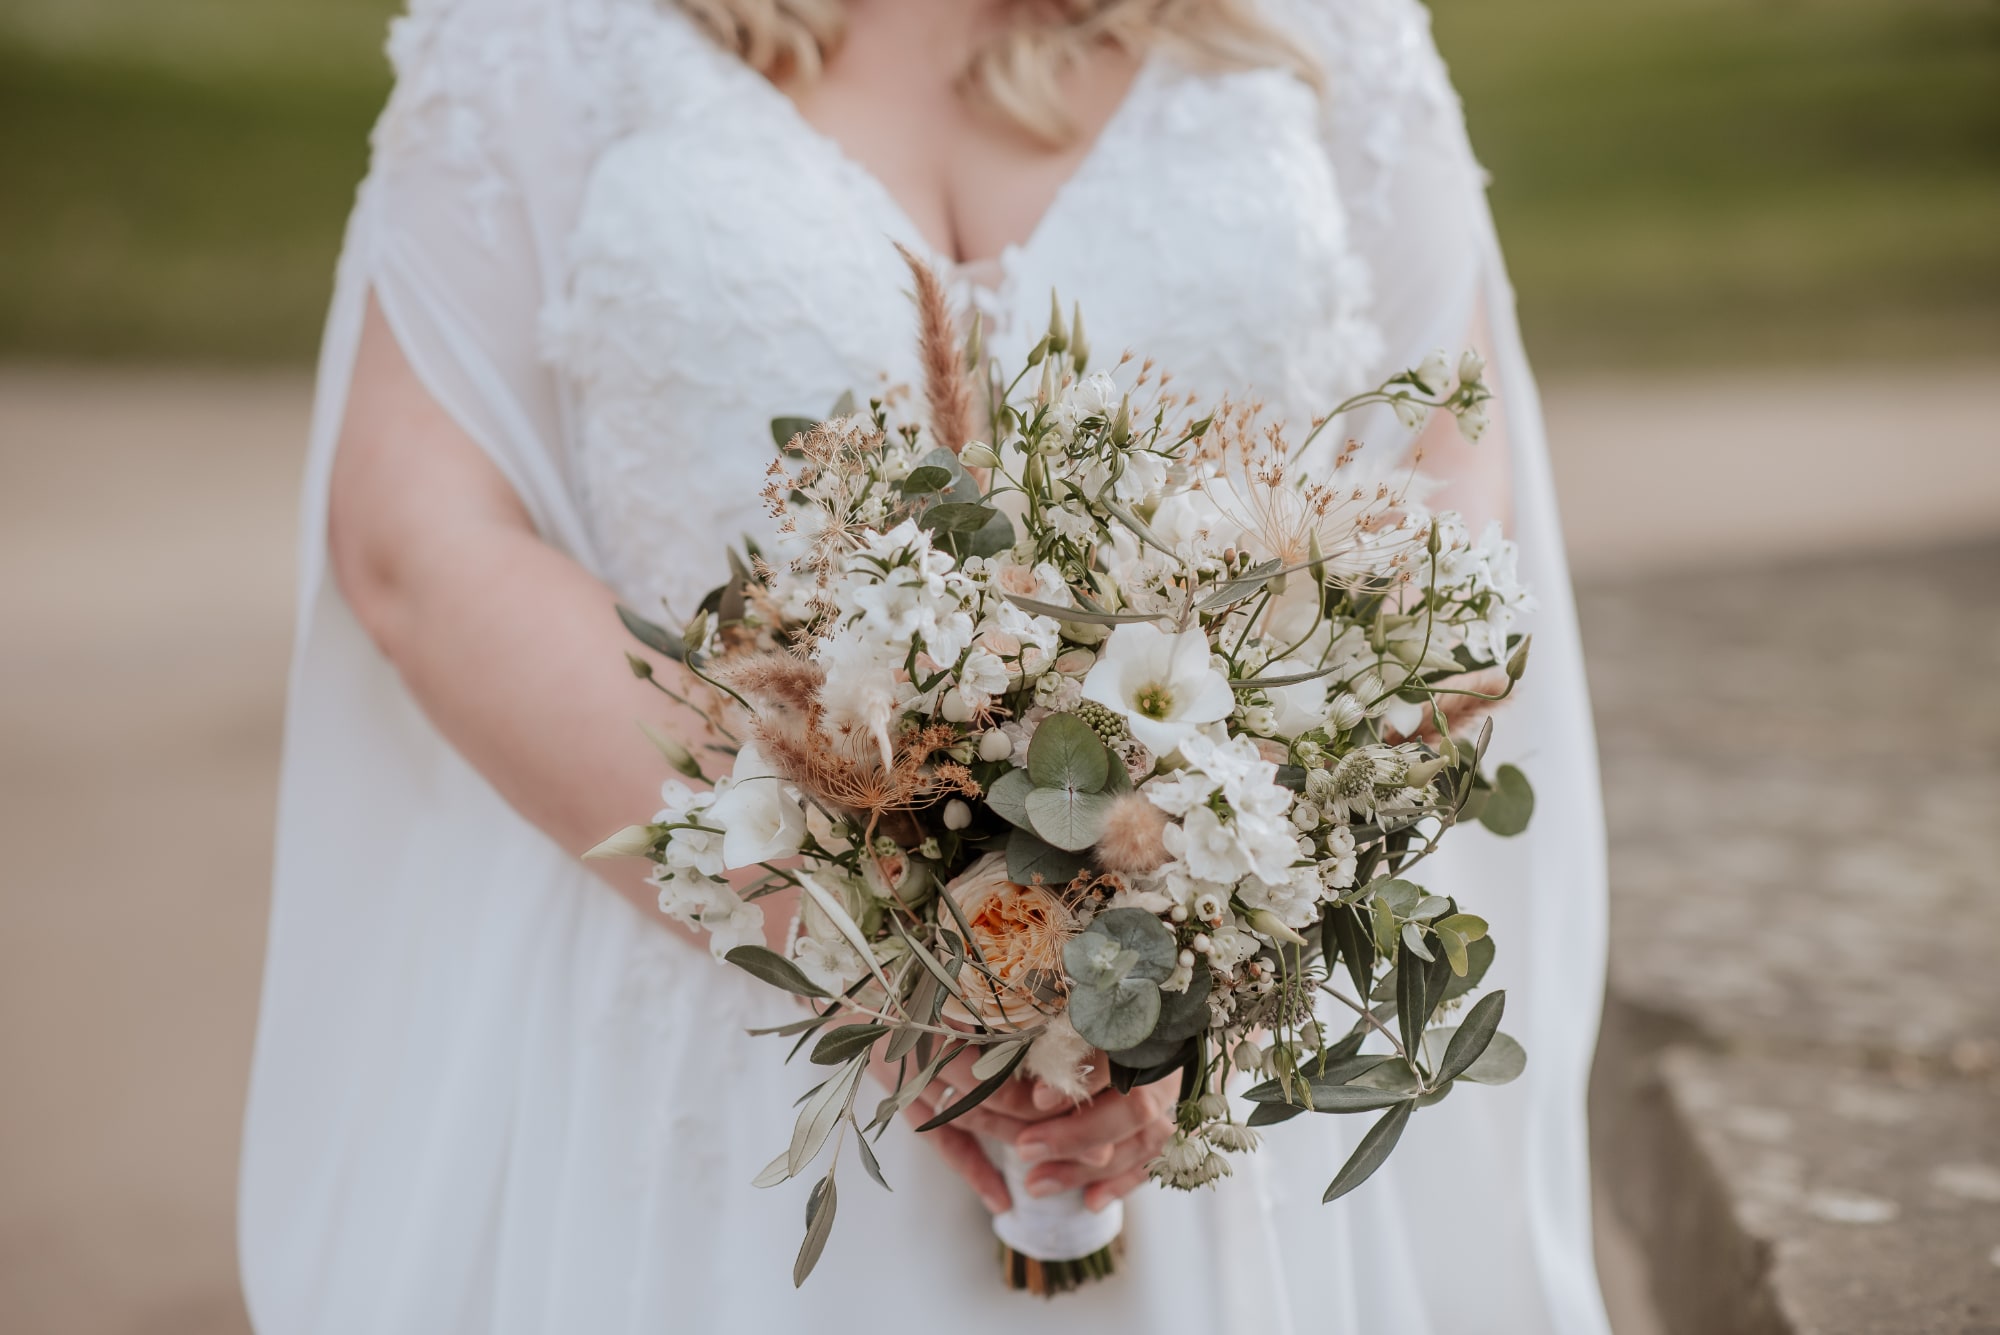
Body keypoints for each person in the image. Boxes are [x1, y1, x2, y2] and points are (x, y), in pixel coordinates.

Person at [238, 1, 1612, 1330]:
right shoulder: (541, 31)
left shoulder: (1331, 26)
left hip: (1212, 1075)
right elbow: (419, 540)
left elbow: (1448, 545)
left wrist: (1182, 960)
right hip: (724, 1020)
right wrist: (889, 953)